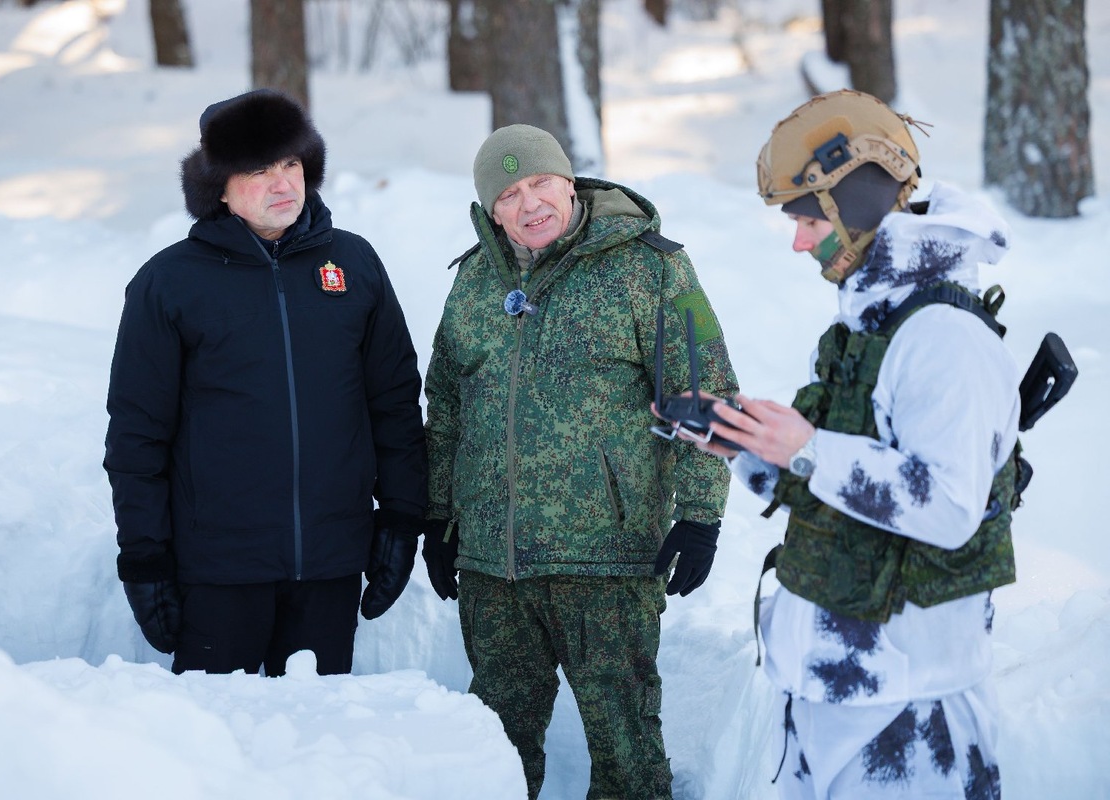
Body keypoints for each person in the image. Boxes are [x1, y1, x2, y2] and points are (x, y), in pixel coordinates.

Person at [683, 90, 1019, 799]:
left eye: (807, 220)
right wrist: (746, 447)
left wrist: (807, 448)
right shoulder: (865, 329)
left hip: (912, 710)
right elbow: (839, 486)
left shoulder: (944, 340)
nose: (799, 241)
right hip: (838, 683)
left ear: (856, 205)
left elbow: (952, 507)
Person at [421, 124, 738, 799]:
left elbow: (706, 390)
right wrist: (440, 517)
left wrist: (702, 514)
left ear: (570, 181)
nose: (530, 203)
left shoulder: (654, 266)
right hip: (494, 567)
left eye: (540, 182)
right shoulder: (473, 280)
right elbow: (445, 405)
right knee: (493, 756)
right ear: (489, 210)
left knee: (627, 756)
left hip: (609, 562)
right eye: (508, 194)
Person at [104, 89, 427, 678]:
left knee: (319, 750)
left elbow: (395, 406)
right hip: (218, 572)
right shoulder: (168, 284)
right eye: (257, 169)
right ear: (218, 187)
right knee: (218, 754)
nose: (282, 183)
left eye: (291, 164)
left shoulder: (354, 266)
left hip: (330, 567)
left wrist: (402, 517)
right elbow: (136, 437)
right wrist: (145, 558)